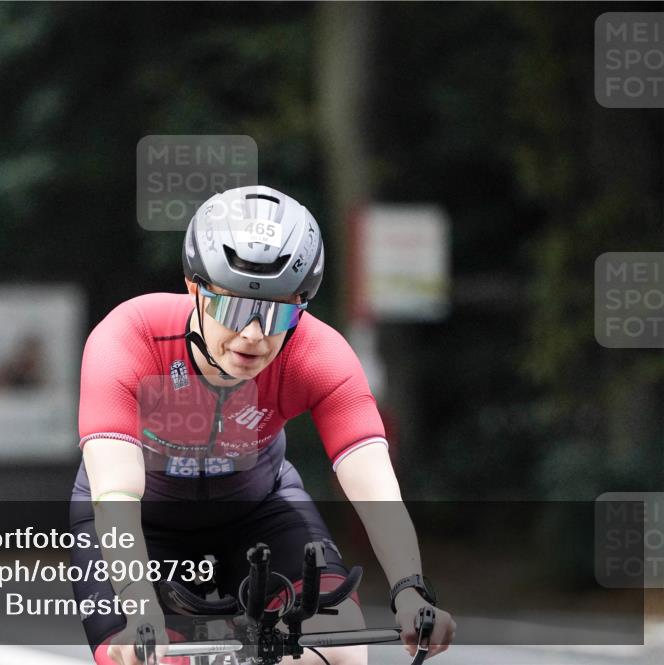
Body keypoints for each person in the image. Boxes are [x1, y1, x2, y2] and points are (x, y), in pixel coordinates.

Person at [69, 186, 456, 665]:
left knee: (344, 652)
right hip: (142, 522)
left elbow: (375, 485)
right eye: (234, 307)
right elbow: (116, 496)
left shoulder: (317, 353)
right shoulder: (129, 338)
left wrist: (409, 591)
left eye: (278, 312)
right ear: (195, 290)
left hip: (259, 511)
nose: (253, 336)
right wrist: (140, 606)